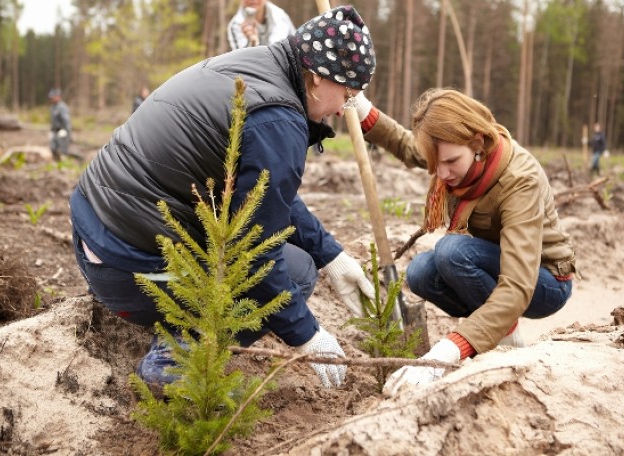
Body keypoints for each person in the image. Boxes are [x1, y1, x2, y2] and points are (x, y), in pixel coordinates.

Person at [69, 6, 376, 390]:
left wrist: (331, 254)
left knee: (301, 260)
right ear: (316, 77)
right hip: (130, 272)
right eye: (345, 96)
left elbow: (262, 192)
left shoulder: (255, 67)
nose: (340, 110)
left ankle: (168, 316)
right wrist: (307, 334)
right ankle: (177, 360)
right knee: (296, 272)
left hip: (94, 239)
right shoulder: (278, 119)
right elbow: (257, 255)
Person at [349, 88, 577, 395]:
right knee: (420, 272)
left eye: (450, 162)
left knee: (451, 252)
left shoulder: (520, 180)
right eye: (436, 163)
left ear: (478, 144)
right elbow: (407, 145)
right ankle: (490, 328)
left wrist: (444, 354)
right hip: (494, 264)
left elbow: (518, 285)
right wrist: (359, 105)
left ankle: (507, 341)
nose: (441, 173)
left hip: (545, 281)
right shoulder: (452, 153)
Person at [227, 0, 295, 49]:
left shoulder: (280, 15)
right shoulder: (236, 25)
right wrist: (252, 42)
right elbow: (243, 61)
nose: (253, 1)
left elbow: (295, 42)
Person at [48, 88, 71, 161]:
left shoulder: (62, 107)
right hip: (54, 131)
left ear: (58, 97)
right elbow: (53, 121)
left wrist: (67, 132)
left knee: (62, 150)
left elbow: (66, 121)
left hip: (62, 131)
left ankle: (64, 164)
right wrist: (51, 130)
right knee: (53, 148)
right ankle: (57, 162)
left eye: (53, 97)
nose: (51, 99)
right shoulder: (53, 107)